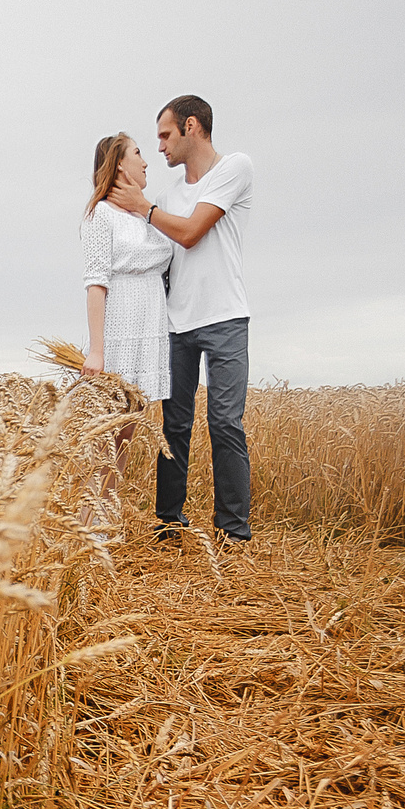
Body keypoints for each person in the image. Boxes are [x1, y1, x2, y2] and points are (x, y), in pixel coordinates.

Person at [106, 94, 254, 543]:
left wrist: (144, 209)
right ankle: (169, 523)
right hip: (176, 325)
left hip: (226, 316)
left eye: (166, 135)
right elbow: (155, 258)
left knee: (225, 421)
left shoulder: (235, 168)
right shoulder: (168, 196)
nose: (161, 147)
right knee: (175, 426)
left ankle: (233, 532)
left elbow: (190, 234)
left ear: (192, 127)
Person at [78, 131, 172, 504]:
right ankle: (90, 531)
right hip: (120, 330)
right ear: (119, 163)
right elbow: (96, 283)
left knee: (124, 439)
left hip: (148, 330)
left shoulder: (145, 214)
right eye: (138, 153)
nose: (146, 161)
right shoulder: (101, 214)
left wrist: (143, 206)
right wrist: (97, 351)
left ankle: (103, 524)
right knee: (106, 437)